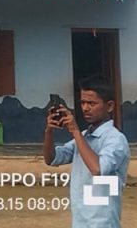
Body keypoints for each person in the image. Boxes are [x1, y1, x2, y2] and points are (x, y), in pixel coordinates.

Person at [44, 75, 129, 228]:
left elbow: (98, 169)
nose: (85, 108)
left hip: (103, 223)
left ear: (109, 106)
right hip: (80, 221)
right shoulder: (84, 137)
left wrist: (75, 131)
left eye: (91, 103)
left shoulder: (115, 139)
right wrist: (49, 131)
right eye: (83, 102)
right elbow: (52, 158)